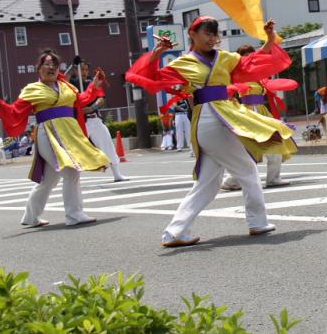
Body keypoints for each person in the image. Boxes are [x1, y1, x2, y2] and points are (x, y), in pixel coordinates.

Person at [125, 16, 295, 247]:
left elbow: (253, 62)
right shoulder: (184, 63)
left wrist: (270, 38)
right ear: (192, 34)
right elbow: (150, 76)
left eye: (215, 34)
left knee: (207, 184)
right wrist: (157, 53)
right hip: (209, 117)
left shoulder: (225, 57)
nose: (212, 38)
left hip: (223, 115)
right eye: (207, 33)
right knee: (247, 169)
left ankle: (175, 232)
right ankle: (257, 222)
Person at [0, 49, 109, 227]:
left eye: (54, 65)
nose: (51, 67)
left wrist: (94, 85)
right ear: (39, 68)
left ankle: (30, 216)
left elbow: (81, 100)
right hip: (48, 134)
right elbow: (14, 110)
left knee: (49, 180)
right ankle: (74, 214)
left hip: (69, 134)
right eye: (47, 64)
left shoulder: (67, 87)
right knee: (71, 170)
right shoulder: (32, 89)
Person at [221, 44, 298, 190]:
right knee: (249, 149)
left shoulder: (259, 75)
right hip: (248, 113)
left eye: (252, 54)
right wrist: (232, 97)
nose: (250, 58)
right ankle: (231, 181)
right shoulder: (236, 74)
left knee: (275, 143)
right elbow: (227, 90)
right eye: (246, 55)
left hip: (262, 112)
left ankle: (272, 178)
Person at [76, 60, 128, 182]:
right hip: (78, 122)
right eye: (81, 69)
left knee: (107, 144)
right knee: (75, 149)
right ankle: (71, 178)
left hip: (93, 119)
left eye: (86, 69)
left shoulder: (93, 83)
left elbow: (101, 98)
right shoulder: (71, 84)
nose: (84, 72)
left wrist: (92, 108)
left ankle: (117, 174)